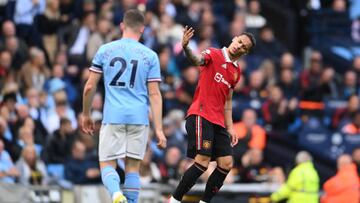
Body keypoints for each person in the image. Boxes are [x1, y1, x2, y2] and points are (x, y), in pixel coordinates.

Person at [82, 9, 166, 203]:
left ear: (122, 26)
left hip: (113, 116)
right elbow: (155, 94)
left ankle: (116, 194)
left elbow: (89, 87)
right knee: (132, 168)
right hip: (139, 118)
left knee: (107, 165)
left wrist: (86, 113)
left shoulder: (105, 50)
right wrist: (159, 129)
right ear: (142, 30)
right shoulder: (151, 56)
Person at [169, 26, 256, 203]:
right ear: (234, 38)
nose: (239, 46)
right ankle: (174, 200)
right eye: (239, 41)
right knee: (202, 162)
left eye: (244, 47)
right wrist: (186, 48)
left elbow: (228, 101)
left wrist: (230, 128)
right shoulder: (214, 53)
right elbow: (197, 59)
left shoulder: (235, 72)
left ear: (245, 52)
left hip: (218, 122)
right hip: (201, 114)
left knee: (226, 164)